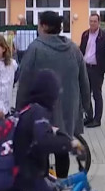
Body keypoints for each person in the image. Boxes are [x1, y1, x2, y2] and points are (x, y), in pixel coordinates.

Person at [16, 11, 91, 179]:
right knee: (61, 147)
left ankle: (44, 187)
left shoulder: (35, 48)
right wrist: (87, 106)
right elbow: (84, 80)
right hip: (68, 110)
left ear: (43, 26)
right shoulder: (73, 48)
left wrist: (20, 109)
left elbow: (24, 80)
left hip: (41, 109)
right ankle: (61, 183)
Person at [79, 13, 105, 128]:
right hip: (86, 67)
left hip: (97, 69)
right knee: (85, 94)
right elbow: (81, 50)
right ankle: (89, 116)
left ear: (99, 22)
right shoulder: (85, 34)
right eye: (91, 21)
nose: (92, 23)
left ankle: (97, 119)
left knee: (97, 94)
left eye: (95, 21)